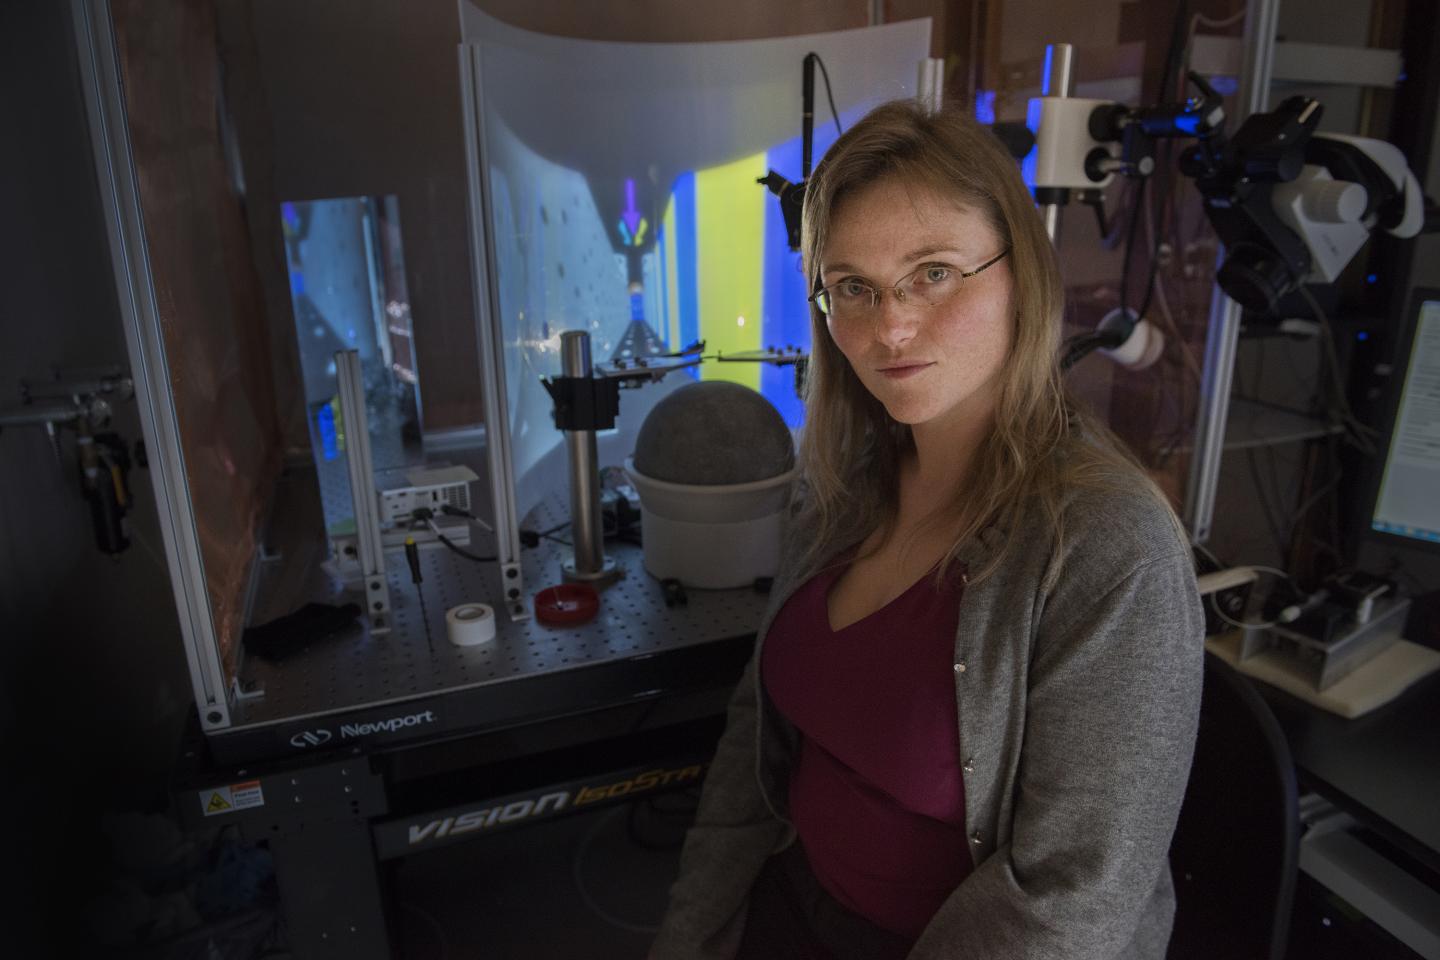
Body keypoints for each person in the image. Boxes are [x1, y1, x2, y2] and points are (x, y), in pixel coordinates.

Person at [649, 99, 1205, 960]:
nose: (890, 328)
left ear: (1020, 271)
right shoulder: (843, 489)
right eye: (853, 290)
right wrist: (689, 939)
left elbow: (1069, 904)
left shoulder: (1108, 549)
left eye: (935, 272)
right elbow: (754, 740)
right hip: (793, 904)